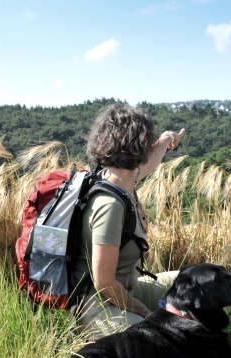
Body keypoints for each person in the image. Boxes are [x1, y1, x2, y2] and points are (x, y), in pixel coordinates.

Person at [71, 102, 185, 340]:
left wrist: (167, 138)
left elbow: (151, 161)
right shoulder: (110, 205)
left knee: (193, 280)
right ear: (138, 147)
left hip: (129, 288)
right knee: (158, 340)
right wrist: (146, 313)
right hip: (99, 305)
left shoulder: (118, 180)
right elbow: (104, 282)